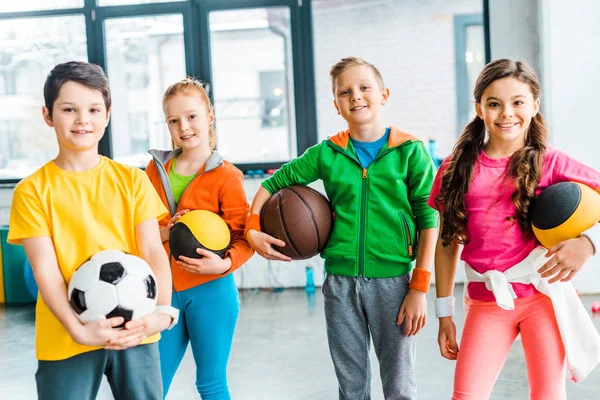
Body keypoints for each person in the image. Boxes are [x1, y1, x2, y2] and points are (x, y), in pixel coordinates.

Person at [245, 57, 438, 400]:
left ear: (384, 94)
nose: (356, 96)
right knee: (351, 383)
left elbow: (429, 220)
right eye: (345, 92)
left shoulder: (411, 151)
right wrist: (252, 225)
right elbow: (278, 181)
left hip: (394, 283)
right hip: (340, 282)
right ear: (337, 105)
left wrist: (419, 288)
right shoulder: (327, 153)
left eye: (364, 87)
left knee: (399, 383)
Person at [7, 61, 179, 400]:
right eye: (69, 109)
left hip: (136, 330)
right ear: (48, 115)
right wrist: (79, 330)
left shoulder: (131, 181)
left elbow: (152, 251)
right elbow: (46, 271)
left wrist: (163, 311)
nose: (82, 119)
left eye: (93, 109)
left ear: (107, 114)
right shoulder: (32, 191)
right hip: (65, 335)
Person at [430, 58, 600, 399]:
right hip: (486, 302)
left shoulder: (551, 162)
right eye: (494, 104)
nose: (507, 113)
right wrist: (443, 315)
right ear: (480, 108)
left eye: (518, 102)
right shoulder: (455, 168)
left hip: (543, 298)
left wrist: (587, 243)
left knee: (547, 395)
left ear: (534, 106)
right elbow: (447, 244)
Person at [144, 77, 254, 399]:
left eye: (191, 116)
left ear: (209, 115)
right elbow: (141, 230)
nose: (184, 127)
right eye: (174, 120)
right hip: (163, 292)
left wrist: (223, 265)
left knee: (210, 383)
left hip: (212, 292)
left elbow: (243, 237)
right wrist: (167, 232)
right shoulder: (154, 171)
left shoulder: (227, 176)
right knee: (150, 384)